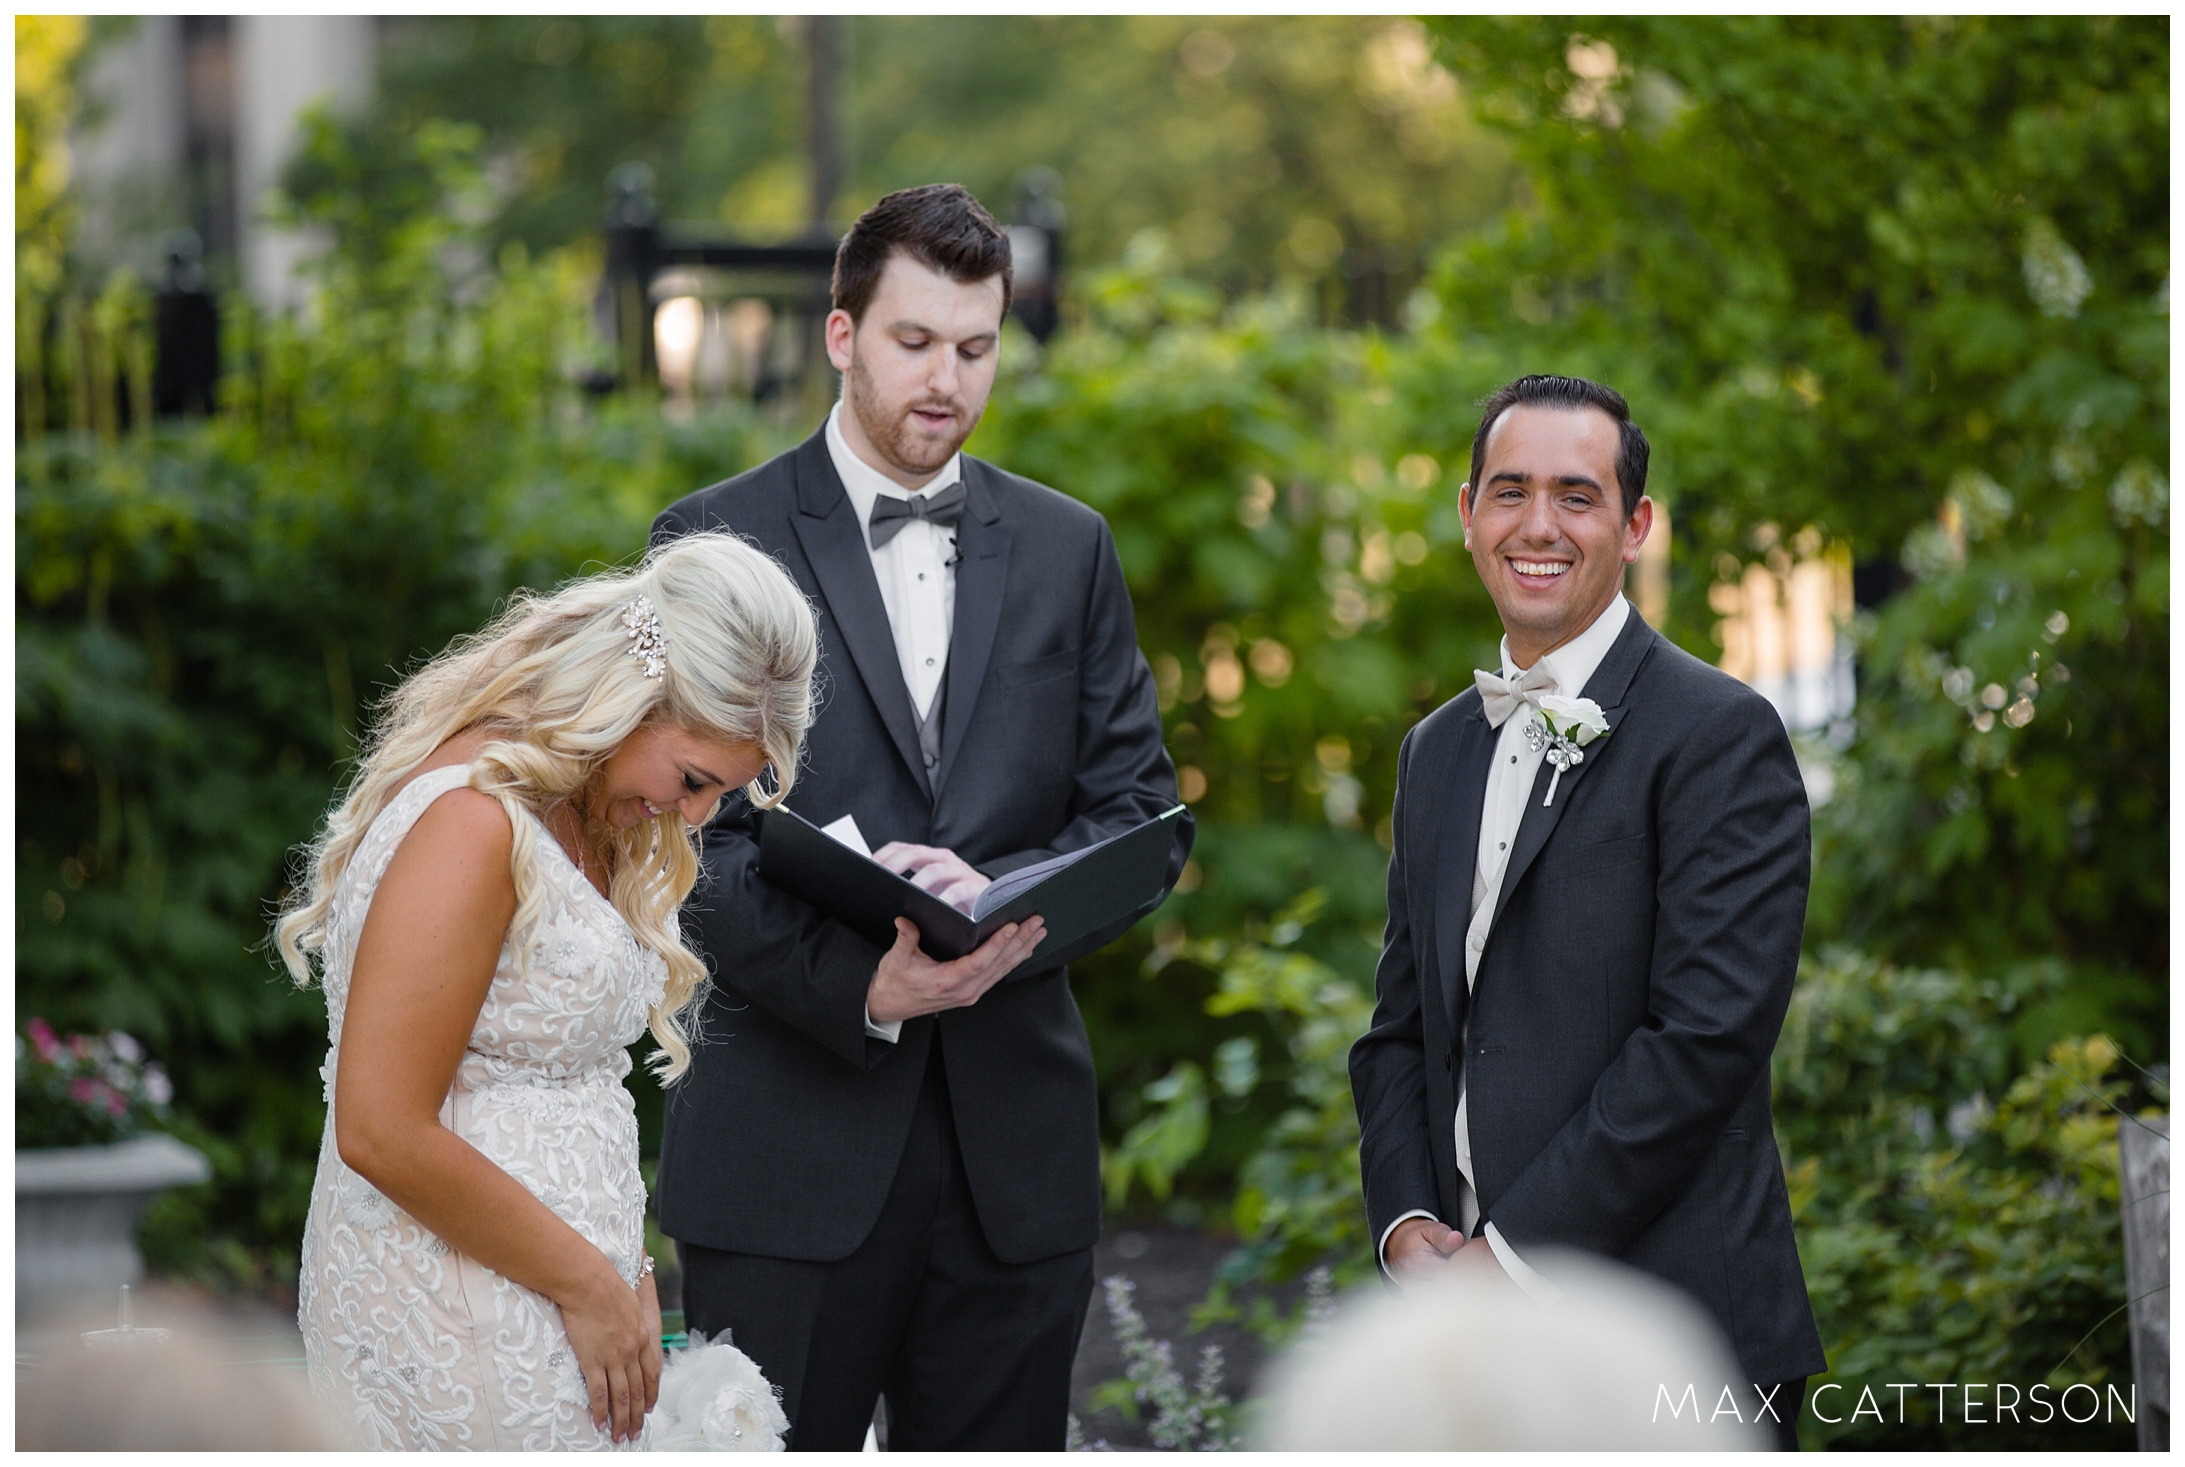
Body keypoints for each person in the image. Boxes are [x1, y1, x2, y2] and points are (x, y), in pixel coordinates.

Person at [650, 183, 1192, 1451]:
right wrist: (865, 987)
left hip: (1016, 1164)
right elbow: (674, 841)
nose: (946, 379)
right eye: (914, 343)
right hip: (785, 1155)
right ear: (841, 337)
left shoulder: (1071, 547)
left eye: (976, 346)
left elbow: (1138, 811)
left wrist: (1002, 898)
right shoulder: (713, 537)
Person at [1348, 374, 1826, 1449]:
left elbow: (1702, 1045)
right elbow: (1399, 1032)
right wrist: (1410, 1228)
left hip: (1669, 1336)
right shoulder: (1435, 751)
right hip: (1463, 1345)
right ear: (1467, 515)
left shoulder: (1717, 735)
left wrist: (1505, 1262)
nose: (1538, 526)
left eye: (1577, 495)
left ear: (1635, 524)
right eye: (1508, 492)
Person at [280, 532, 818, 1450]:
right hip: (452, 1308)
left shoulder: (572, 800)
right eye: (693, 779)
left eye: (719, 794)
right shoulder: (471, 820)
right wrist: (588, 1280)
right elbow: (377, 1124)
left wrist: (624, 1265)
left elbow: (566, 1090)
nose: (695, 816)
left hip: (554, 1292)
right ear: (637, 694)